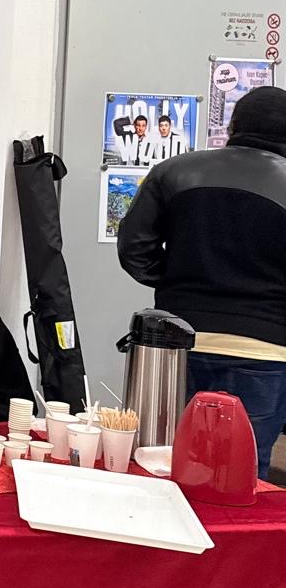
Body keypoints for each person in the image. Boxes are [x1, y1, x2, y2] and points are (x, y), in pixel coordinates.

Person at [118, 86, 286, 479]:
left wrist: (177, 283)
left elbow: (134, 249)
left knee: (161, 462)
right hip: (264, 349)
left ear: (233, 125)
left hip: (176, 342)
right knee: (243, 473)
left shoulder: (173, 171)